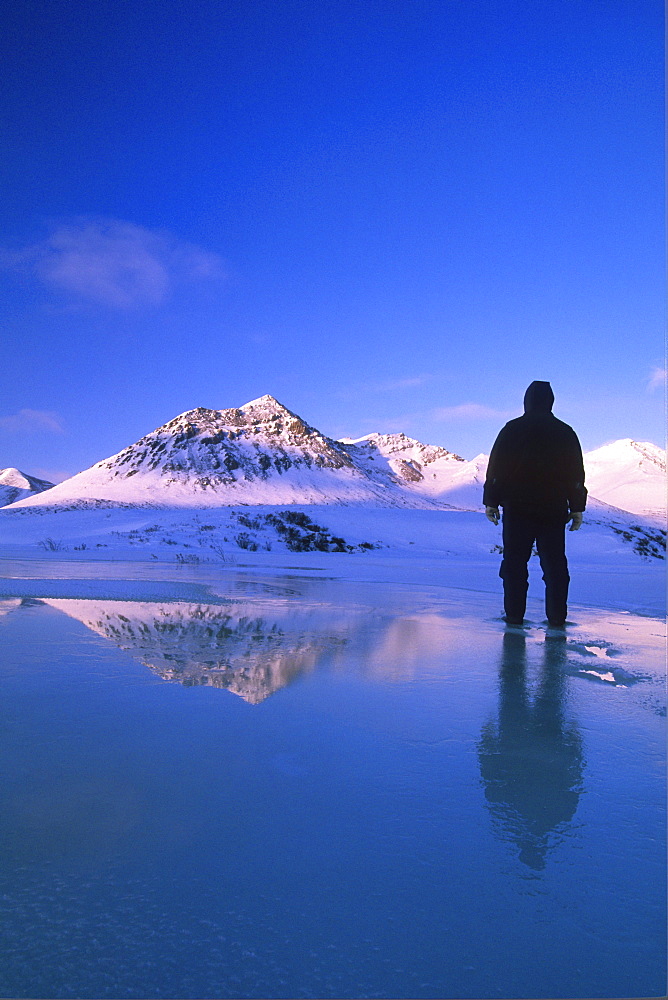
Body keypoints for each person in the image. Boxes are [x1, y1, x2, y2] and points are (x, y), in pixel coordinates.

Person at [483, 381, 587, 627]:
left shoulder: (512, 429)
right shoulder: (565, 431)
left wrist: (491, 501)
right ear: (551, 401)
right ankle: (557, 618)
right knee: (555, 566)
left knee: (514, 564)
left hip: (517, 508)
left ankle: (514, 616)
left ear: (526, 400)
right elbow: (575, 473)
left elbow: (496, 468)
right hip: (553, 508)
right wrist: (577, 507)